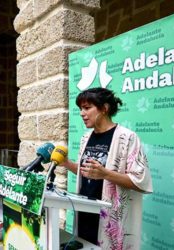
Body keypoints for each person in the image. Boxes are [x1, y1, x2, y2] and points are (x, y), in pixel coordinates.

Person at [62, 88, 153, 250]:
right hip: (85, 214)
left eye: (87, 108)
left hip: (111, 218)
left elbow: (140, 180)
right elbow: (87, 172)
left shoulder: (127, 137)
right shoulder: (85, 138)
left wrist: (105, 174)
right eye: (80, 109)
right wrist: (67, 163)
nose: (82, 113)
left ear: (105, 108)